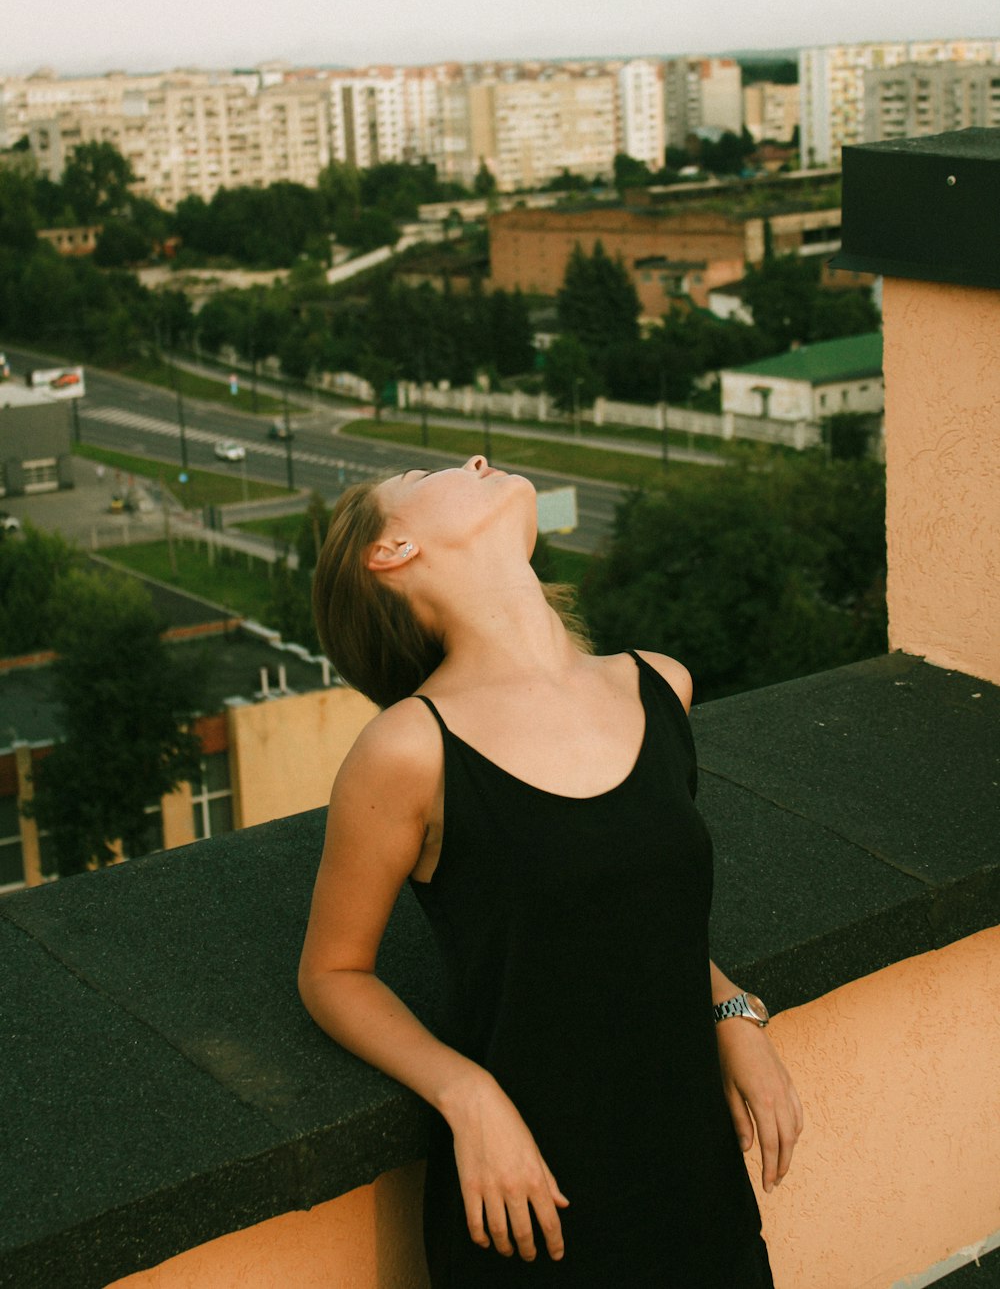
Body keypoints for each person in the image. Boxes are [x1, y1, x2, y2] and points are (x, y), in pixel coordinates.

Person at [299, 455, 803, 1287]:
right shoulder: (409, 749)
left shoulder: (658, 687)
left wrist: (732, 1009)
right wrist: (468, 1095)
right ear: (389, 550)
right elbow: (332, 973)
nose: (475, 460)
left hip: (697, 1188)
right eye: (426, 472)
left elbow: (635, 910)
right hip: (534, 1215)